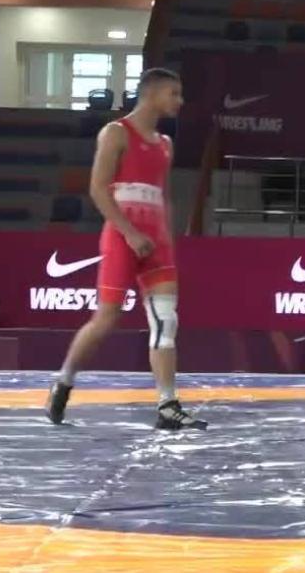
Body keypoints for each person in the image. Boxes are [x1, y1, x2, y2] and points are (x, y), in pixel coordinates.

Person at [45, 68, 207, 431]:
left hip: (155, 241)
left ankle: (168, 405)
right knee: (106, 318)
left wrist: (166, 240)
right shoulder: (116, 132)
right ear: (151, 93)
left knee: (166, 320)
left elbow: (164, 196)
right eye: (174, 93)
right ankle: (64, 381)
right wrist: (130, 233)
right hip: (122, 236)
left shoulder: (165, 144)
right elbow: (98, 189)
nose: (180, 101)